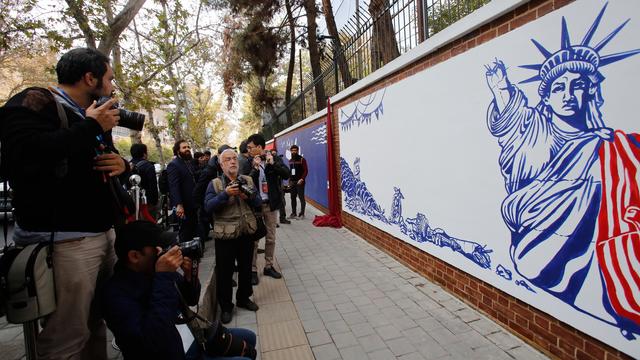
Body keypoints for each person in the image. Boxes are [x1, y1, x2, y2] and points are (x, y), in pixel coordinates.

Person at [484, 5, 640, 338]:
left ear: (590, 92)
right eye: (559, 87)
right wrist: (500, 89)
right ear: (548, 96)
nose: (569, 95)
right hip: (536, 244)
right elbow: (511, 124)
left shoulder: (613, 147)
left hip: (600, 255)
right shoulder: (534, 130)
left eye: (578, 85)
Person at [0, 47, 126, 359]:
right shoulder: (35, 102)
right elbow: (23, 156)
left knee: (95, 324)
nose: (112, 87)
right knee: (66, 337)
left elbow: (88, 161)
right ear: (89, 78)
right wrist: (91, 126)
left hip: (101, 235)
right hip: (67, 244)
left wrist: (121, 164)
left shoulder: (92, 117)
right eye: (109, 79)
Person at [103, 221, 257, 360]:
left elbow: (191, 299)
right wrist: (163, 277)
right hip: (171, 352)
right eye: (156, 248)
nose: (163, 251)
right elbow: (154, 338)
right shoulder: (116, 296)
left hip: (192, 339)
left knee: (249, 337)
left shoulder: (153, 270)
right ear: (135, 256)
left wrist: (190, 277)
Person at [204, 149, 261, 324]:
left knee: (245, 269)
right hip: (225, 237)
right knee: (225, 273)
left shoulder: (248, 180)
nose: (232, 162)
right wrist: (225, 194)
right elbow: (208, 207)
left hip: (246, 233)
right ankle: (226, 307)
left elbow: (258, 203)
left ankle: (244, 298)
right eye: (227, 159)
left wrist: (248, 196)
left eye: (234, 158)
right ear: (221, 165)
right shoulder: (214, 184)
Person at [246, 134, 290, 284]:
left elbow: (286, 173)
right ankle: (252, 270)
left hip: (271, 205)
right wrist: (255, 168)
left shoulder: (274, 158)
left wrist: (273, 164)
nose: (248, 150)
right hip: (255, 206)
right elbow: (246, 182)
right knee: (254, 240)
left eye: (251, 147)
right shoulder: (247, 161)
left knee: (271, 237)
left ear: (259, 147)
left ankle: (268, 266)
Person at [168, 139, 198, 243]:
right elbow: (173, 186)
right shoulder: (174, 165)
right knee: (185, 232)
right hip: (184, 205)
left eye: (188, 147)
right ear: (177, 151)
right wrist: (179, 205)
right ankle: (184, 255)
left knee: (194, 229)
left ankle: (194, 254)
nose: (187, 149)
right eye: (184, 147)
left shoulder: (188, 162)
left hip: (193, 203)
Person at [130, 143, 159, 218]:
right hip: (147, 203)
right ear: (144, 154)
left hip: (132, 203)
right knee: (149, 225)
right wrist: (155, 202)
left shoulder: (128, 166)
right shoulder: (148, 166)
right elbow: (153, 186)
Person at [287, 144, 308, 220]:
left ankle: (302, 214)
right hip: (292, 182)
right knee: (292, 198)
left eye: (295, 151)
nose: (294, 152)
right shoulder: (290, 161)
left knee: (301, 198)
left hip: (300, 182)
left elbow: (306, 170)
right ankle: (293, 213)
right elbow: (290, 171)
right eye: (292, 151)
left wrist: (302, 179)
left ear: (298, 151)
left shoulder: (302, 159)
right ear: (291, 151)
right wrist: (289, 180)